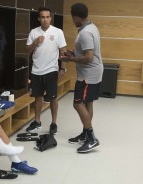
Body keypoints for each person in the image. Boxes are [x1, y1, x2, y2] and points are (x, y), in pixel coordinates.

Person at [61, 3, 103, 153]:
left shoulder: (84, 33)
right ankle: (85, 134)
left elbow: (89, 57)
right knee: (87, 102)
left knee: (78, 103)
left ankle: (92, 139)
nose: (73, 20)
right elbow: (87, 51)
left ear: (76, 17)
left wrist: (70, 60)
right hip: (95, 73)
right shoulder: (92, 27)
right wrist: (74, 53)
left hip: (88, 75)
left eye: (73, 18)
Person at [25, 7, 67, 134]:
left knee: (53, 98)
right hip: (36, 71)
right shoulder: (33, 32)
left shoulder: (58, 32)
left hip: (51, 70)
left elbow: (63, 52)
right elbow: (27, 50)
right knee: (37, 97)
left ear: (51, 18)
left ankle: (54, 123)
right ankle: (37, 121)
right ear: (39, 18)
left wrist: (63, 68)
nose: (45, 19)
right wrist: (35, 42)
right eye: (42, 17)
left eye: (47, 17)